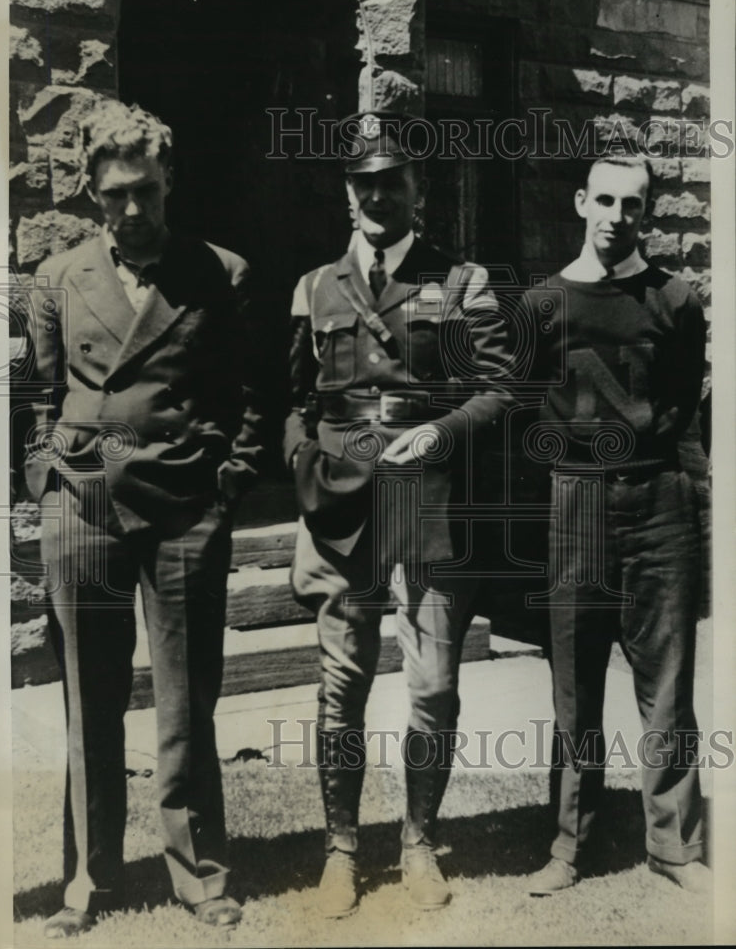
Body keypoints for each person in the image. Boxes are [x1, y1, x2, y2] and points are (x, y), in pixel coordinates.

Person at [24, 100, 263, 937]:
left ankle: (201, 875)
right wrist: (44, 479)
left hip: (182, 509)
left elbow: (250, 399)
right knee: (89, 702)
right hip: (83, 508)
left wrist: (224, 487)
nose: (135, 210)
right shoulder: (58, 279)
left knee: (185, 700)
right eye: (117, 194)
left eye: (149, 192)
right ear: (93, 194)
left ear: (171, 185)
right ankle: (88, 884)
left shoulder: (219, 272)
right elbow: (38, 394)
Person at [284, 110, 513, 916]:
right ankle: (340, 851)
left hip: (429, 503)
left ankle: (419, 841)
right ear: (349, 194)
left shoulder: (462, 283)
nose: (379, 195)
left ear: (421, 191)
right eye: (365, 183)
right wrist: (301, 460)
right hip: (345, 506)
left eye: (394, 182)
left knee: (433, 685)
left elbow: (498, 391)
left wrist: (437, 433)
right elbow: (292, 398)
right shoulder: (315, 286)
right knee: (340, 680)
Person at [520, 155, 710, 896]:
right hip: (575, 505)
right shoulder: (542, 304)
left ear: (646, 213)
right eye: (604, 200)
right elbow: (528, 408)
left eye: (632, 204)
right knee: (575, 684)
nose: (615, 216)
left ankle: (674, 846)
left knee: (667, 685)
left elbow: (680, 405)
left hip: (658, 502)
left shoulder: (675, 299)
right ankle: (570, 844)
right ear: (580, 202)